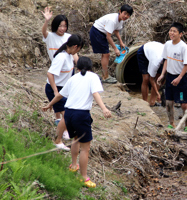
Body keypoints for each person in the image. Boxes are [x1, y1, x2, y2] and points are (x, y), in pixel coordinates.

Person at [42, 57, 112, 188]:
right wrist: (104, 108)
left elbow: (59, 95)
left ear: (77, 67)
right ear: (91, 67)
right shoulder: (93, 77)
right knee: (85, 148)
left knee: (75, 139)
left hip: (68, 113)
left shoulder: (72, 78)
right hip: (81, 115)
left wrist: (49, 105)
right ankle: (84, 177)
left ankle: (74, 165)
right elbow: (95, 93)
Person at [42, 7, 79, 132]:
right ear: (55, 26)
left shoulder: (69, 37)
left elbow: (74, 54)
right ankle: (59, 122)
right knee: (58, 96)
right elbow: (44, 32)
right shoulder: (51, 36)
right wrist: (46, 21)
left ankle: (60, 122)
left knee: (64, 97)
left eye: (65, 26)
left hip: (68, 69)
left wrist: (82, 67)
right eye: (60, 26)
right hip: (56, 68)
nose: (63, 28)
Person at [45, 34, 84, 150]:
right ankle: (58, 140)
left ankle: (64, 133)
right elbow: (50, 74)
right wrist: (56, 92)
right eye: (79, 49)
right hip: (55, 89)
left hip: (63, 89)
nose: (78, 51)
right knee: (67, 114)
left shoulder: (69, 55)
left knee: (67, 113)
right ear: (75, 47)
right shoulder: (61, 57)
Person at [157, 22, 187, 131]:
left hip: (181, 79)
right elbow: (166, 59)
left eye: (174, 31)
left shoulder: (184, 47)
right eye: (171, 30)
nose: (171, 33)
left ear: (180, 34)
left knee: (183, 103)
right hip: (170, 77)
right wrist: (162, 74)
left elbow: (186, 65)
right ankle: (172, 123)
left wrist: (179, 78)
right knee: (169, 102)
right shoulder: (167, 44)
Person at [89, 4, 133, 84]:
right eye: (125, 13)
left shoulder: (120, 20)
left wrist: (121, 42)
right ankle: (105, 77)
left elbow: (116, 30)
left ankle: (104, 75)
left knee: (106, 54)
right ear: (120, 11)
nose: (126, 16)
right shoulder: (112, 20)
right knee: (106, 54)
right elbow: (108, 37)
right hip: (97, 32)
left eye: (128, 15)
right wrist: (115, 49)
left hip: (101, 33)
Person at [137, 41, 164, 106]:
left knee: (158, 78)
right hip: (144, 52)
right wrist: (158, 93)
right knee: (146, 78)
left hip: (155, 51)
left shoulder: (169, 60)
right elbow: (151, 80)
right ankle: (145, 103)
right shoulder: (156, 61)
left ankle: (152, 102)